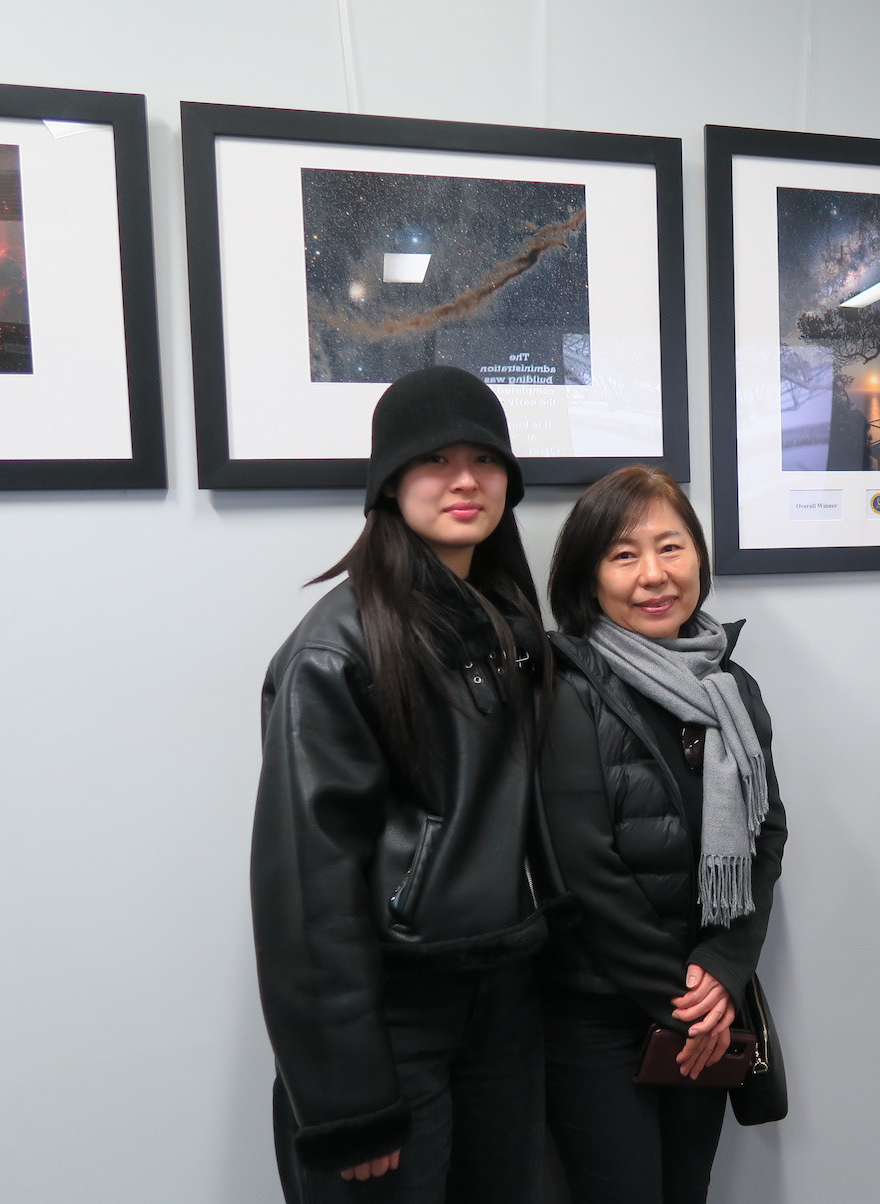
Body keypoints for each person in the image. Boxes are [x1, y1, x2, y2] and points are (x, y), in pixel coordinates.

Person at [250, 366, 561, 1203]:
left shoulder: (507, 627)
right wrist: (348, 1100)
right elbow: (307, 892)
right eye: (435, 460)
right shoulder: (335, 650)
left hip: (502, 1004)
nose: (465, 480)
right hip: (394, 1020)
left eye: (485, 461)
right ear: (389, 483)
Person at [538, 465, 788, 1204]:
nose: (654, 575)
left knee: (686, 1191)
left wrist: (725, 966)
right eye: (623, 554)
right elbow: (582, 865)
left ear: (699, 560)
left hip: (707, 1001)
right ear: (589, 577)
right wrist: (687, 1001)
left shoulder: (730, 688)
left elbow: (765, 833)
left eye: (671, 548)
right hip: (598, 1014)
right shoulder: (561, 683)